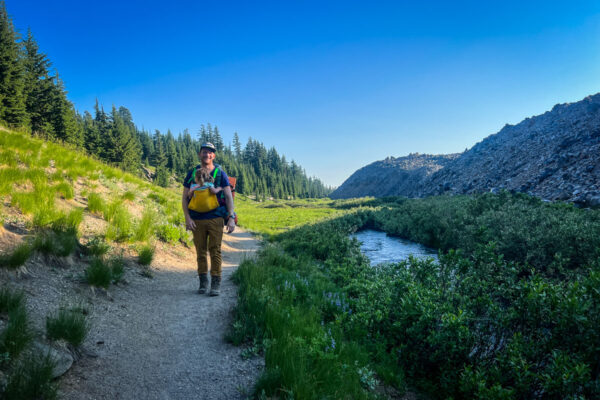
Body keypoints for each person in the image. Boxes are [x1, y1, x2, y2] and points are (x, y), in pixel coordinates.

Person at [182, 143, 236, 296]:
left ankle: (215, 283)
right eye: (204, 152)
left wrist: (231, 217)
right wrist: (187, 218)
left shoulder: (220, 173)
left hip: (216, 217)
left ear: (214, 156)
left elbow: (228, 195)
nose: (207, 155)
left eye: (210, 153)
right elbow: (184, 198)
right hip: (196, 219)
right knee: (200, 252)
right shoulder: (192, 173)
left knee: (215, 251)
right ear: (200, 154)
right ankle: (203, 283)